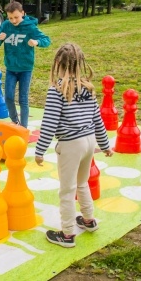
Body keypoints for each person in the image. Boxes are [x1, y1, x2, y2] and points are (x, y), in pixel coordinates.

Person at [34, 43, 113, 248]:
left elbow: (49, 122)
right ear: (80, 63)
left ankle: (67, 234)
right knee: (82, 182)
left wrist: (40, 150)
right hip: (89, 142)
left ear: (58, 63)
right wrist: (105, 145)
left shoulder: (57, 89)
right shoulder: (88, 87)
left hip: (71, 144)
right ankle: (89, 220)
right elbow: (97, 119)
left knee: (67, 190)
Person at [0, 1, 51, 128]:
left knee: (23, 99)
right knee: (8, 97)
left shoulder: (30, 27)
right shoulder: (6, 25)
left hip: (25, 69)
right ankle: (15, 122)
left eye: (16, 17)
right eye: (10, 18)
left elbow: (46, 40)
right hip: (11, 68)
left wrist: (36, 42)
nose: (13, 20)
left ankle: (23, 128)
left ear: (23, 13)